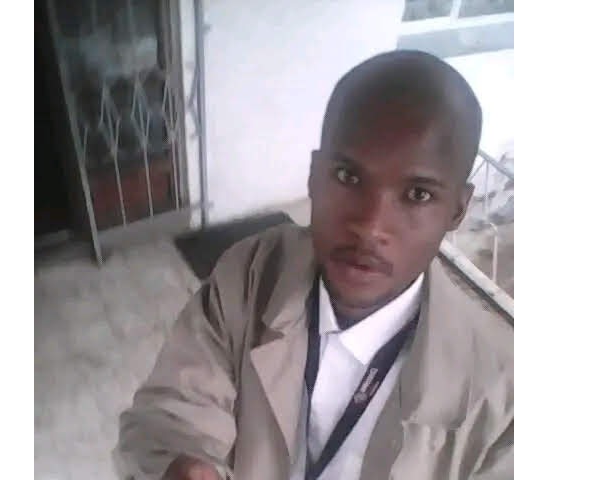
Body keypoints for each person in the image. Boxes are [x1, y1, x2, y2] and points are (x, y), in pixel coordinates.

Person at [116, 50, 514, 480]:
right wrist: (181, 463)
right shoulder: (250, 275)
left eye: (417, 194)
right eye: (348, 177)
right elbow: (170, 410)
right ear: (313, 174)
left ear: (457, 210)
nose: (370, 226)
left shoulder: (504, 394)